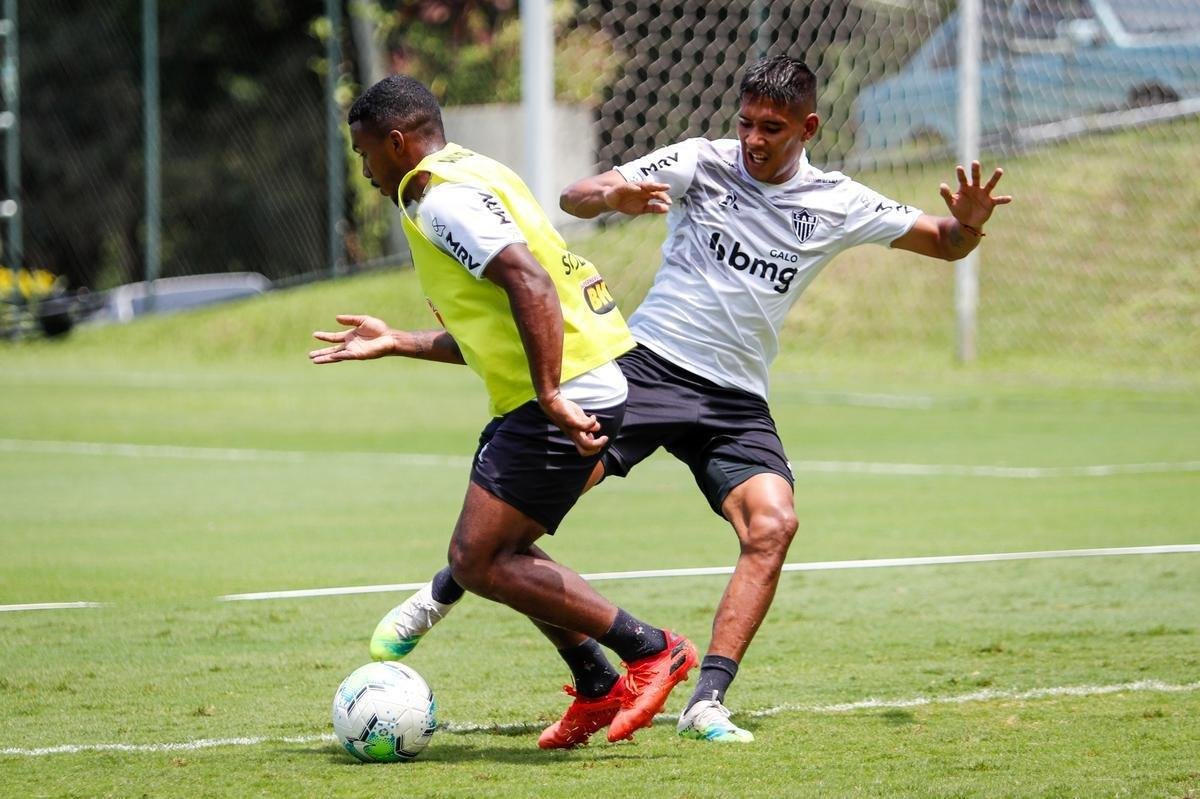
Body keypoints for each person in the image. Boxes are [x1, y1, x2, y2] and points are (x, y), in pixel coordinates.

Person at [368, 55, 1012, 745]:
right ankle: (449, 590)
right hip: (648, 369)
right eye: (746, 122)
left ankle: (705, 701)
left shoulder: (839, 200)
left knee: (773, 525)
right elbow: (578, 195)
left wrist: (970, 225)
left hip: (736, 398)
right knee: (519, 516)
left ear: (808, 128)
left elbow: (946, 242)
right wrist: (612, 195)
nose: (753, 139)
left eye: (771, 128)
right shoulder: (702, 161)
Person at [310, 75, 698, 747]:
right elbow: (499, 321)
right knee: (500, 551)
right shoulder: (478, 172)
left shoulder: (437, 197)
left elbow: (529, 281)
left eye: (364, 152)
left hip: (564, 389)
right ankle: (597, 682)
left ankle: (652, 649)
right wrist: (398, 340)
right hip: (568, 383)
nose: (365, 170)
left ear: (396, 143)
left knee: (477, 559)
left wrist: (550, 393)